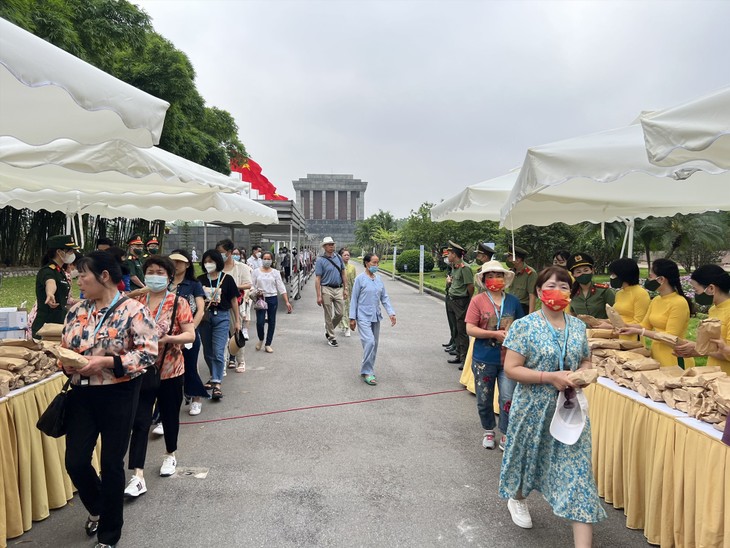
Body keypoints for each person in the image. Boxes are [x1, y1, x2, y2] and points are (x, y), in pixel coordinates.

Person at [500, 266, 606, 544]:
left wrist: (582, 375)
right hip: (533, 409)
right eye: (550, 286)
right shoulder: (524, 326)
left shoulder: (578, 327)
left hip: (569, 410)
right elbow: (511, 368)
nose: (557, 292)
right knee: (528, 459)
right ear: (538, 291)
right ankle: (518, 498)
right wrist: (548, 377)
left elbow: (585, 359)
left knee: (578, 476)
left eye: (563, 287)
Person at [60, 251, 157, 548]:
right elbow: (64, 343)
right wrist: (64, 361)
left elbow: (148, 352)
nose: (79, 282)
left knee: (112, 463)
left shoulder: (133, 310)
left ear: (104, 276)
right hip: (82, 392)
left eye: (83, 276)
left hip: (119, 392)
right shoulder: (77, 311)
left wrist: (105, 363)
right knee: (75, 461)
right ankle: (100, 506)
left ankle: (109, 535)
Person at [125, 256, 194, 498]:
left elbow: (190, 335)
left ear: (169, 276)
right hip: (140, 370)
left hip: (170, 369)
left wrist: (167, 339)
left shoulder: (179, 302)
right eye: (150, 271)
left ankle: (170, 454)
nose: (155, 275)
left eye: (160, 272)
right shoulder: (136, 301)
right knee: (140, 421)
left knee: (169, 414)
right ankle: (137, 475)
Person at [465, 260, 524, 451]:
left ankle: (506, 433)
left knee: (507, 398)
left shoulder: (513, 301)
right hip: (484, 359)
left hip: (509, 360)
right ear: (483, 279)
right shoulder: (477, 300)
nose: (494, 279)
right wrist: (493, 334)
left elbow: (522, 327)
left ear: (505, 279)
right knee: (484, 398)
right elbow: (470, 328)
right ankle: (488, 431)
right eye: (490, 276)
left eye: (498, 275)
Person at [619, 258, 695, 368]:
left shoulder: (679, 303)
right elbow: (644, 325)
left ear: (661, 279)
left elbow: (671, 337)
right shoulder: (656, 300)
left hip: (674, 358)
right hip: (656, 355)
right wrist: (624, 325)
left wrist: (641, 331)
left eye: (650, 276)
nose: (648, 280)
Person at [169, 250, 209, 416]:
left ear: (187, 264)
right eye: (173, 261)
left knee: (189, 366)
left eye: (180, 261)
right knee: (169, 370)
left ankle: (196, 397)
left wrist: (191, 330)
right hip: (168, 334)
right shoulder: (165, 283)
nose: (176, 265)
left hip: (188, 333)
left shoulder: (193, 284)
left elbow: (200, 310)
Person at [197, 249, 240, 399]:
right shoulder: (200, 280)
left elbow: (234, 301)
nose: (208, 264)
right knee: (207, 350)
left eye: (212, 261)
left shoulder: (227, 279)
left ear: (218, 262)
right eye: (206, 261)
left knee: (218, 350)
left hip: (222, 316)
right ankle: (213, 375)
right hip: (204, 318)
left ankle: (217, 383)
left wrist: (238, 321)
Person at [349, 254, 396, 385]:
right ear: (366, 263)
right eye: (374, 263)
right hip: (362, 316)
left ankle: (369, 369)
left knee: (374, 345)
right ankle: (367, 371)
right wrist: (352, 318)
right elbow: (354, 299)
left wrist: (391, 313)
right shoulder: (360, 279)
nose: (376, 265)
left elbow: (384, 298)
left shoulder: (379, 279)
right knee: (369, 342)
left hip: (375, 316)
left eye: (377, 263)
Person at [674, 264, 730, 374]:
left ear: (711, 288)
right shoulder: (713, 309)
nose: (695, 294)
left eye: (696, 290)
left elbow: (726, 352)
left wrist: (699, 347)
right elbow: (714, 348)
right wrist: (695, 350)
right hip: (714, 374)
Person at [216, 239, 252, 371]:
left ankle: (240, 361)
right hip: (218, 304)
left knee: (235, 333)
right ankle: (222, 363)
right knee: (220, 337)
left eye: (222, 252)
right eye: (218, 252)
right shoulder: (216, 267)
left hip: (234, 305)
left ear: (229, 252)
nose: (220, 255)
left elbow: (248, 284)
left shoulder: (241, 267)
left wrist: (232, 287)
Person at [32, 235, 77, 337]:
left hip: (58, 324)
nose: (72, 254)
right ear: (59, 252)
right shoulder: (47, 271)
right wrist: (50, 293)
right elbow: (50, 282)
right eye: (69, 251)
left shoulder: (60, 271)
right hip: (45, 327)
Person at [251, 251, 292, 352]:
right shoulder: (256, 272)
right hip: (261, 298)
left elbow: (281, 287)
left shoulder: (275, 273)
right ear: (261, 259)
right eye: (264, 258)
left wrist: (287, 301)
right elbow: (251, 285)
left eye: (268, 259)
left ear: (272, 260)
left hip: (272, 298)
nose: (266, 260)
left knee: (271, 321)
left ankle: (268, 343)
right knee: (260, 322)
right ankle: (261, 339)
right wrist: (255, 292)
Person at [602, 258, 650, 340]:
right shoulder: (619, 293)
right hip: (617, 336)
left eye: (614, 274)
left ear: (623, 275)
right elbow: (618, 317)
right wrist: (601, 321)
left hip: (632, 339)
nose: (612, 277)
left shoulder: (641, 294)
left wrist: (612, 326)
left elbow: (640, 323)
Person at [445, 241, 474, 367]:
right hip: (452, 299)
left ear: (455, 255)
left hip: (460, 301)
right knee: (455, 329)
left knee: (462, 330)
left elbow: (470, 286)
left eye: (449, 253)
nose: (447, 256)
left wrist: (467, 300)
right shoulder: (455, 267)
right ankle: (458, 353)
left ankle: (464, 359)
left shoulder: (465, 268)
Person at [315, 236, 347, 347]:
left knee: (340, 313)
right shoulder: (320, 260)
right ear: (324, 247)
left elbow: (343, 273)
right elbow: (318, 278)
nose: (331, 246)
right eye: (329, 244)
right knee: (328, 314)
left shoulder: (338, 258)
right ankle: (331, 337)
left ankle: (329, 329)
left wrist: (345, 288)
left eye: (332, 244)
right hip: (326, 288)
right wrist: (318, 295)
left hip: (338, 288)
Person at [566, 253, 615, 319]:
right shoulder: (571, 293)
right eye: (578, 272)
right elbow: (572, 314)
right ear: (573, 275)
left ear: (592, 271)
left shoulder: (604, 291)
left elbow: (615, 312)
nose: (583, 274)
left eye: (586, 270)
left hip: (603, 328)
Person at [506, 246, 537, 315]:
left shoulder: (530, 273)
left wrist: (530, 316)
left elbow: (532, 295)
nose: (508, 259)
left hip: (522, 307)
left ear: (518, 259)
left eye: (510, 257)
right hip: (510, 306)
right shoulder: (510, 272)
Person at [442, 248, 458, 354]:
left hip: (457, 299)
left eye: (447, 257)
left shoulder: (459, 268)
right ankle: (453, 340)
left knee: (456, 324)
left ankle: (456, 344)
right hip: (449, 296)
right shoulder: (451, 268)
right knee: (451, 321)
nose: (446, 259)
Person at [339, 248, 357, 337]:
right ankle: (345, 326)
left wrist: (355, 292)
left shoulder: (352, 268)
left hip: (350, 290)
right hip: (340, 290)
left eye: (348, 255)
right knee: (341, 309)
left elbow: (354, 280)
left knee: (349, 308)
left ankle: (347, 327)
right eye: (345, 255)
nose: (347, 256)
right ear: (341, 256)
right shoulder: (338, 266)